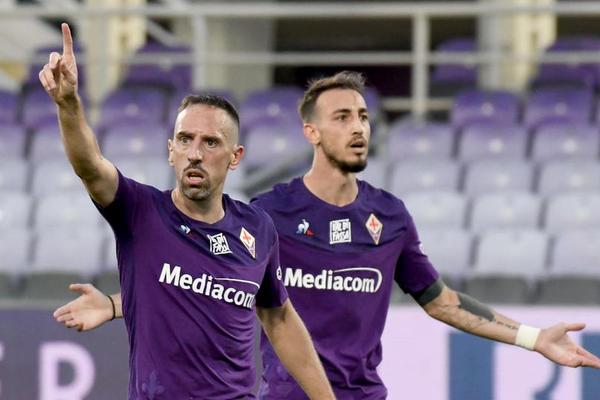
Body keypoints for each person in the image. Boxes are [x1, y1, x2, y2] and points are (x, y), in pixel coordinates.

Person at [54, 70, 600, 399]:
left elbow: (441, 302)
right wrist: (119, 304)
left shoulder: (390, 218)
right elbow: (201, 273)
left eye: (363, 115)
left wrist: (532, 338)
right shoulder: (269, 213)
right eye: (342, 117)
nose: (357, 126)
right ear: (310, 131)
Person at [42, 23, 335, 400]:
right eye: (185, 140)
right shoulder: (141, 212)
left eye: (210, 142)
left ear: (235, 157)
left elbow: (277, 317)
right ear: (171, 151)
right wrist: (68, 105)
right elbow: (90, 166)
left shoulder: (258, 229)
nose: (195, 153)